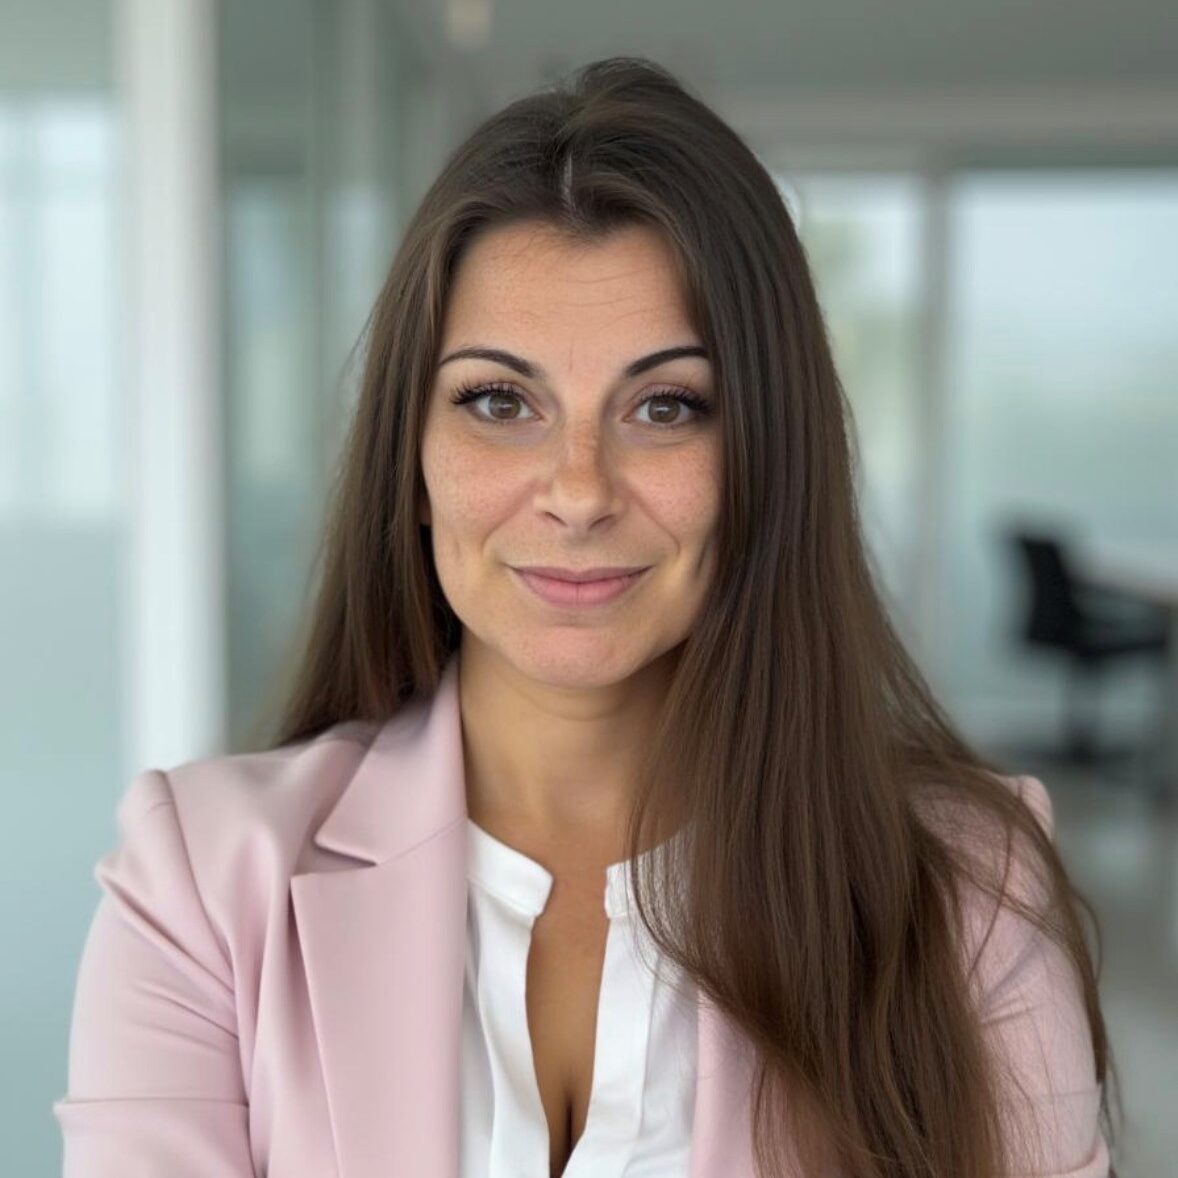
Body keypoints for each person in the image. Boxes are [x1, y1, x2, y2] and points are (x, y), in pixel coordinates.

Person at [54, 56, 1118, 1178]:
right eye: (498, 401)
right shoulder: (202, 884)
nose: (577, 487)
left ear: (763, 455)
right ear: (410, 461)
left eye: (664, 406)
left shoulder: (965, 897)